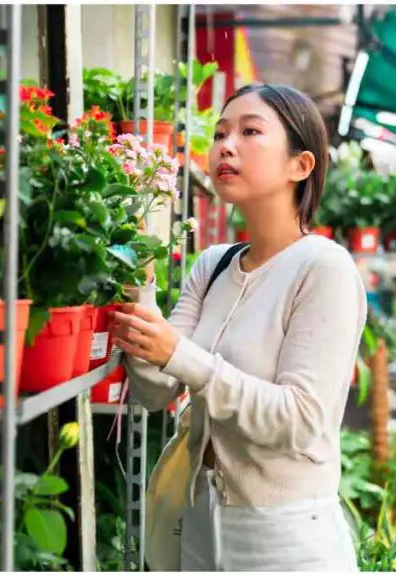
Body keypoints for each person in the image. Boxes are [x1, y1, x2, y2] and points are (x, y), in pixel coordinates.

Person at [109, 83, 366, 571]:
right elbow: (157, 390)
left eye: (251, 131)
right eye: (221, 132)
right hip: (201, 526)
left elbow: (299, 420)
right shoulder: (214, 266)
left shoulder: (324, 268)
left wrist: (180, 356)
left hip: (286, 538)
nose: (226, 145)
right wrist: (139, 294)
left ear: (300, 166)